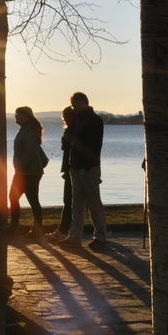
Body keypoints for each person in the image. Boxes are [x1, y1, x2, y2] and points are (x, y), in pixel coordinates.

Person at [59, 91, 109, 249]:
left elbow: (94, 145)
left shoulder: (94, 120)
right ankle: (75, 236)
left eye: (74, 105)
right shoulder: (78, 120)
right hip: (76, 166)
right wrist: (71, 123)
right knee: (77, 203)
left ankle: (101, 236)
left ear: (82, 103)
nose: (73, 108)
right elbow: (66, 141)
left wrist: (88, 165)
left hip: (89, 167)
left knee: (94, 202)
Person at [8, 106, 48, 239]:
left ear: (25, 116)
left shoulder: (28, 131)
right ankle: (32, 229)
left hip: (27, 172)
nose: (15, 117)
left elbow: (31, 151)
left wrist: (20, 165)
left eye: (17, 114)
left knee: (21, 198)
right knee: (29, 199)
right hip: (28, 171)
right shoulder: (26, 129)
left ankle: (17, 229)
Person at [53, 106, 77, 239]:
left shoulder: (72, 130)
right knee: (70, 200)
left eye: (66, 116)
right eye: (64, 117)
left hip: (71, 167)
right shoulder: (72, 129)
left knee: (68, 199)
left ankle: (63, 230)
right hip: (68, 167)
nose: (65, 119)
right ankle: (64, 229)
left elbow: (67, 148)